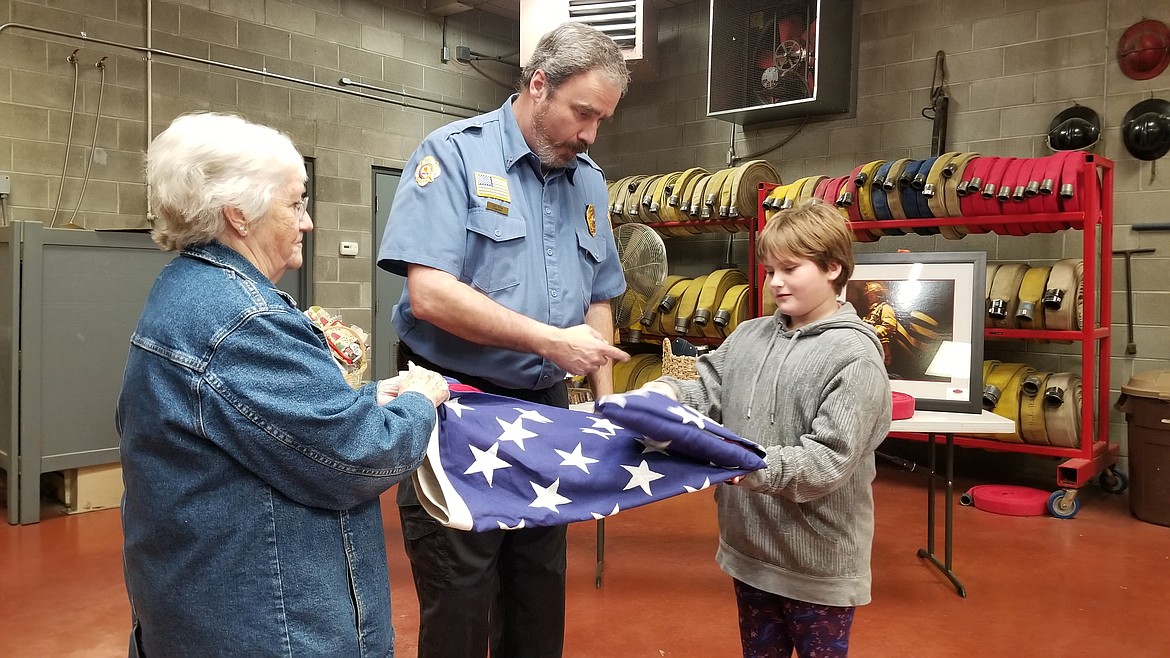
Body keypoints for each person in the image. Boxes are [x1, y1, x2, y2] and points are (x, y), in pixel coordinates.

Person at [117, 112, 451, 657]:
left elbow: (267, 426)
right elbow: (359, 458)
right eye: (295, 203)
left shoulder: (190, 288)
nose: (308, 221)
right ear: (239, 216)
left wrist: (369, 398)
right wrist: (418, 401)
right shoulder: (242, 321)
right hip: (269, 627)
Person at [376, 21, 631, 658]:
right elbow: (430, 293)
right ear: (538, 85)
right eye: (582, 114)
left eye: (601, 120)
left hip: (544, 407)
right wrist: (551, 342)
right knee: (460, 592)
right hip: (455, 405)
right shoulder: (453, 155)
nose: (590, 134)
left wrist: (603, 398)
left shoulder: (589, 180)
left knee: (538, 590)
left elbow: (598, 297)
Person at [641, 199, 892, 657]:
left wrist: (743, 463)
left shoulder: (855, 358)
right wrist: (662, 399)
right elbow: (707, 386)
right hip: (750, 553)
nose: (774, 282)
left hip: (817, 567)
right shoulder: (749, 335)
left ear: (833, 267)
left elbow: (827, 463)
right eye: (768, 269)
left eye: (790, 269)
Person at [862, 280, 898, 367]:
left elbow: (889, 325)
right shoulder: (871, 311)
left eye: (872, 294)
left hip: (882, 345)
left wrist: (873, 333)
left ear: (879, 295)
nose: (869, 297)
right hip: (871, 344)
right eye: (868, 295)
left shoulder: (885, 307)